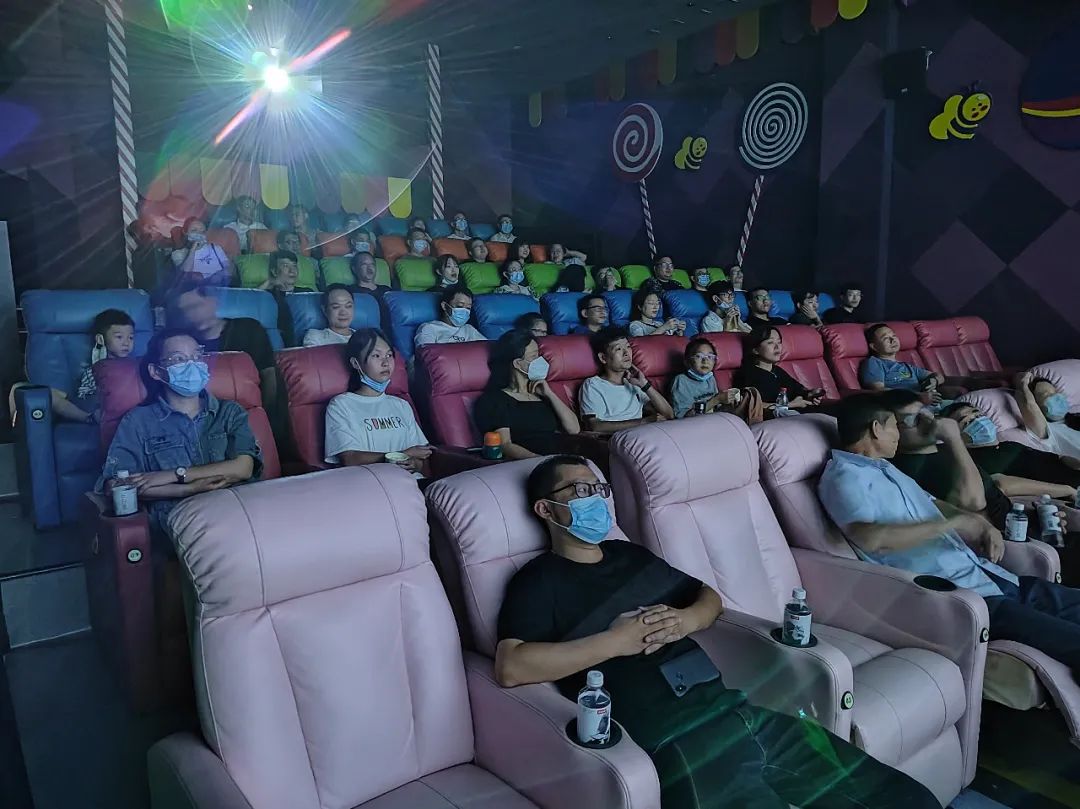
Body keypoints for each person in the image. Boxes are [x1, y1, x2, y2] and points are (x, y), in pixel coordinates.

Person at [497, 455, 941, 809]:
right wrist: (616, 642)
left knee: (905, 798)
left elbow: (706, 597)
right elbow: (512, 666)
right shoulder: (540, 581)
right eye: (580, 491)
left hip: (740, 714)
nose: (595, 500)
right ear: (545, 509)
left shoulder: (628, 555)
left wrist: (687, 620)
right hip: (679, 743)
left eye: (599, 490)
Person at [819, 393, 1080, 676]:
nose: (898, 434)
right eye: (894, 425)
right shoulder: (844, 477)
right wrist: (951, 524)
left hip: (993, 577)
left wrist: (978, 523)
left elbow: (934, 503)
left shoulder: (885, 469)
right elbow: (870, 539)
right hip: (966, 600)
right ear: (876, 429)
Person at [98, 329, 261, 536]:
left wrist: (172, 475)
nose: (192, 365)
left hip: (236, 509)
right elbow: (118, 485)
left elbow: (243, 468)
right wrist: (188, 489)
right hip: (180, 519)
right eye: (178, 359)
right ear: (156, 372)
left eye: (196, 356)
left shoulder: (229, 412)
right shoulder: (138, 421)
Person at [886, 390, 1074, 540]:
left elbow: (994, 497)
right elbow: (975, 504)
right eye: (913, 419)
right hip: (1011, 540)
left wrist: (1032, 516)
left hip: (1025, 525)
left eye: (924, 412)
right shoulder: (912, 466)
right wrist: (953, 440)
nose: (928, 420)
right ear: (893, 431)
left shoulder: (945, 451)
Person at [168, 282, 279, 431]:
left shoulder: (248, 329)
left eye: (196, 306)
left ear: (213, 302)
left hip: (252, 414)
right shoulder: (184, 345)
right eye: (186, 310)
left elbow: (269, 376)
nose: (192, 314)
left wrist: (266, 415)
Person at [323, 329, 431, 476]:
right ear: (356, 363)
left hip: (412, 482)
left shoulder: (401, 405)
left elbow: (420, 459)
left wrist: (414, 464)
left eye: (389, 355)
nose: (386, 363)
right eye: (376, 355)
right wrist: (402, 454)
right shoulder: (341, 405)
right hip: (371, 485)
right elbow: (350, 459)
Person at [474, 330, 581, 459]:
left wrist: (550, 394)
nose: (541, 361)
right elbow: (505, 444)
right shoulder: (494, 400)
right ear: (517, 363)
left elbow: (573, 429)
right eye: (534, 356)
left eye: (539, 355)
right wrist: (541, 460)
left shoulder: (542, 394)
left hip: (564, 455)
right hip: (534, 462)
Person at [941, 401, 1080, 489]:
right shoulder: (972, 461)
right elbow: (1000, 484)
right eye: (966, 422)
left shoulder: (1010, 445)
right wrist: (1066, 490)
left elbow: (1056, 458)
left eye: (977, 414)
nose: (977, 420)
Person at [37, 309, 135, 425]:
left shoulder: (134, 366)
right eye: (119, 337)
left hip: (121, 406)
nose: (126, 343)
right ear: (100, 339)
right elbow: (84, 398)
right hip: (91, 404)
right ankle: (88, 418)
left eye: (131, 338)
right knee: (50, 394)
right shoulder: (93, 370)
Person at [579, 328, 674, 433]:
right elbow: (595, 426)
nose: (626, 353)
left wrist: (644, 384)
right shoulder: (593, 385)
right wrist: (645, 422)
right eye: (618, 349)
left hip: (643, 434)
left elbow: (668, 414)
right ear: (603, 358)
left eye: (628, 347)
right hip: (616, 438)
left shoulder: (634, 383)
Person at [734, 326, 823, 410]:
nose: (777, 347)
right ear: (755, 350)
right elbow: (750, 407)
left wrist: (810, 394)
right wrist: (790, 405)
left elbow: (798, 390)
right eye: (770, 342)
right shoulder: (747, 374)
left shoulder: (777, 371)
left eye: (779, 342)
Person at [860, 323, 943, 401]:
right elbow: (879, 391)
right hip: (906, 406)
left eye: (894, 336)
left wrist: (934, 380)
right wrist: (918, 396)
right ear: (874, 346)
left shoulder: (906, 366)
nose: (893, 340)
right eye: (885, 338)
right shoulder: (874, 363)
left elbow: (938, 376)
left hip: (929, 402)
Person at [670, 337, 742, 419]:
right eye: (699, 356)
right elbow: (685, 417)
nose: (705, 361)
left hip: (714, 419)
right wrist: (717, 400)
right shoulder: (681, 381)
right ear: (687, 362)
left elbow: (716, 408)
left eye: (710, 356)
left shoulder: (710, 378)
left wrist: (727, 402)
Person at [1015, 372, 1080, 460]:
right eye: (1046, 394)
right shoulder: (1050, 431)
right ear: (1037, 405)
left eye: (1055, 392)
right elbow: (1029, 405)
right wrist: (1024, 384)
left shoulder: (1075, 419)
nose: (1056, 397)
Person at [258, 249, 314, 347]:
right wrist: (270, 282)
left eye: (294, 266)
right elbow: (252, 303)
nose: (292, 271)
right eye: (285, 266)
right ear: (274, 271)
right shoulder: (268, 295)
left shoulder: (307, 292)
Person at [414, 287, 487, 346]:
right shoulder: (429, 328)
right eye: (460, 306)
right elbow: (426, 354)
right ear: (444, 306)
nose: (464, 311)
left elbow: (488, 350)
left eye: (468, 308)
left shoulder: (470, 330)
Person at [170, 218, 231, 284]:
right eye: (194, 231)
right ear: (186, 233)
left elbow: (228, 269)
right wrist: (193, 249)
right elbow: (185, 274)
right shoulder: (178, 254)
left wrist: (219, 276)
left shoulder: (215, 248)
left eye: (202, 232)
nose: (198, 234)